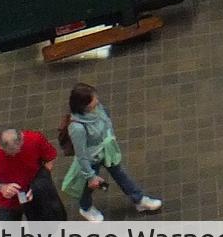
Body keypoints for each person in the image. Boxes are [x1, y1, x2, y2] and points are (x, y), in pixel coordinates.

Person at [59, 84, 161, 221]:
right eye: (93, 100)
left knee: (121, 174)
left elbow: (106, 122)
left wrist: (110, 138)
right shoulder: (77, 128)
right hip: (91, 159)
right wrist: (90, 176)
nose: (97, 100)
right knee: (86, 187)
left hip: (106, 151)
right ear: (84, 105)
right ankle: (85, 208)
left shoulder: (97, 109)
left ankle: (139, 200)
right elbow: (81, 154)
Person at [0, 126, 57, 221]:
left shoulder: (36, 139)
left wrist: (38, 184)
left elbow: (50, 159)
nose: (14, 155)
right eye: (9, 153)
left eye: (17, 151)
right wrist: (1, 187)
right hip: (7, 202)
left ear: (22, 140)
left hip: (36, 195)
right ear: (0, 145)